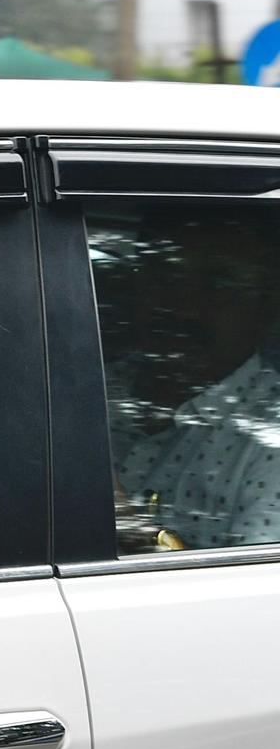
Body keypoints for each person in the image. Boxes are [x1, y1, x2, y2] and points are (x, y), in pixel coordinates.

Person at [108, 209, 280, 549]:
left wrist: (127, 523)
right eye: (166, 277)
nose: (182, 306)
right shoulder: (86, 385)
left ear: (267, 305)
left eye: (218, 285)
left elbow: (250, 595)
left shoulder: (269, 439)